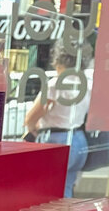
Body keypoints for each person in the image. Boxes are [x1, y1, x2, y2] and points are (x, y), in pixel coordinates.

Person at [24, 45, 92, 197]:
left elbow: (31, 117)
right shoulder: (87, 83)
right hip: (79, 139)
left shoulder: (56, 84)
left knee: (47, 191)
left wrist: (32, 128)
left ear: (59, 62)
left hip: (56, 139)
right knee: (66, 188)